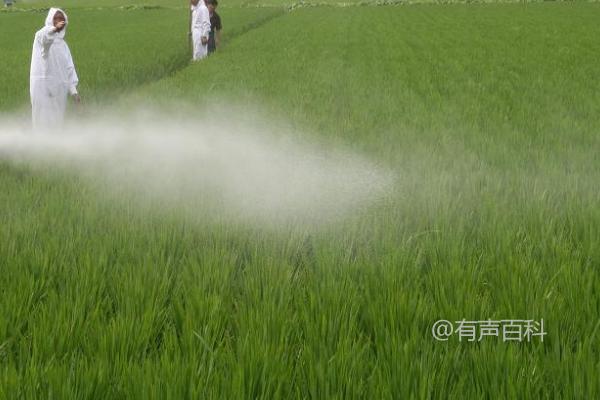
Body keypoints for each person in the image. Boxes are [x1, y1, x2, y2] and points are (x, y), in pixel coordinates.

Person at [30, 8, 80, 131]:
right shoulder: (40, 37)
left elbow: (69, 68)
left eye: (62, 19)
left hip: (59, 87)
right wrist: (53, 29)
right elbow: (45, 39)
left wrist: (74, 91)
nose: (59, 21)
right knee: (42, 116)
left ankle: (55, 142)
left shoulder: (63, 45)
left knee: (57, 117)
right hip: (42, 85)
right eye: (56, 18)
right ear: (50, 20)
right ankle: (40, 143)